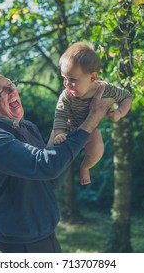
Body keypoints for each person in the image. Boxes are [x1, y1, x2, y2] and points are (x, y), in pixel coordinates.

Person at [0, 72, 113, 253]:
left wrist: (73, 127)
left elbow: (51, 180)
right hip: (18, 250)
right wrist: (92, 119)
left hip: (49, 241)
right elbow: (46, 166)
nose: (12, 91)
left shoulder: (27, 127)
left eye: (11, 85)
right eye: (3, 91)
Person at [49, 42, 133, 185]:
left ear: (92, 78)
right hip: (67, 129)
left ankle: (85, 167)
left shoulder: (106, 89)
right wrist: (59, 133)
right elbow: (60, 114)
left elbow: (127, 96)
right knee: (50, 155)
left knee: (97, 151)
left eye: (73, 80)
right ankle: (50, 180)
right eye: (65, 78)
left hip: (90, 131)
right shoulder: (66, 95)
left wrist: (119, 112)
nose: (67, 84)